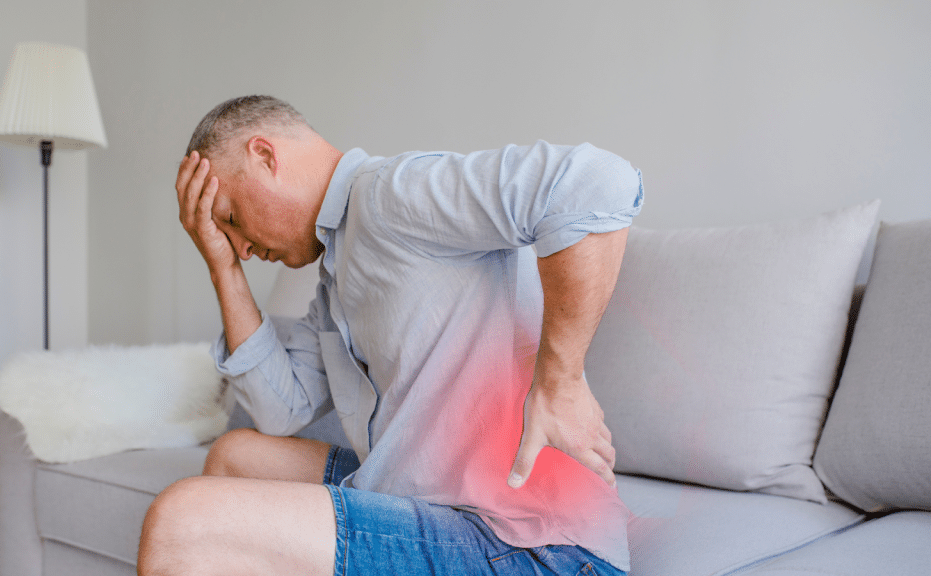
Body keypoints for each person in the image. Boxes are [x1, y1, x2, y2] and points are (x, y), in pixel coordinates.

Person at [137, 95, 643, 576]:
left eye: (231, 220)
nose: (243, 248)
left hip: (532, 547)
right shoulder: (335, 277)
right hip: (431, 506)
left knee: (180, 518)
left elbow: (596, 181)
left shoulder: (392, 193)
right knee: (237, 455)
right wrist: (223, 268)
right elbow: (279, 410)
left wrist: (562, 381)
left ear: (266, 156)